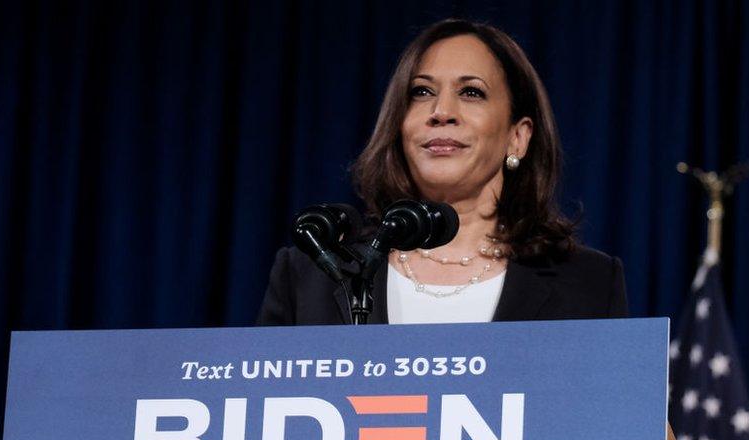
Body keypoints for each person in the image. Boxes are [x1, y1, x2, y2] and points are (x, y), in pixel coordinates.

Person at [257, 19, 627, 326]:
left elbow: (623, 410)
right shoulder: (311, 275)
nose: (441, 111)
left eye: (471, 92)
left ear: (518, 137)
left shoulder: (588, 283)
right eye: (420, 92)